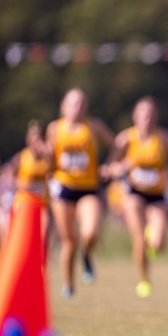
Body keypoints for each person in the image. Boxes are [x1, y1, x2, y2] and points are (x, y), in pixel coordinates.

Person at [110, 97, 168, 298]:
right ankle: (144, 280)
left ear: (155, 117)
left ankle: (152, 238)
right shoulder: (125, 138)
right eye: (143, 113)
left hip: (157, 194)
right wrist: (119, 167)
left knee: (159, 244)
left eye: (150, 113)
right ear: (135, 116)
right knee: (139, 239)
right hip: (133, 193)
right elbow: (112, 165)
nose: (147, 117)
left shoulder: (165, 137)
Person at [47, 88, 115, 298]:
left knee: (91, 232)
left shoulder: (94, 126)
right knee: (69, 241)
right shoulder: (55, 129)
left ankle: (87, 255)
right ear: (63, 105)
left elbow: (116, 146)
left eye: (82, 103)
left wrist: (109, 165)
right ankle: (68, 284)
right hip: (63, 188)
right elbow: (50, 159)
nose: (77, 107)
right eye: (73, 103)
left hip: (89, 188)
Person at [9, 120, 53, 261]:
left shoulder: (48, 157)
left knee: (43, 232)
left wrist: (49, 156)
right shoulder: (22, 157)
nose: (37, 141)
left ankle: (41, 263)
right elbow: (10, 177)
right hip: (25, 200)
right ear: (29, 140)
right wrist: (22, 185)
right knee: (24, 235)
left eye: (39, 138)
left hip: (42, 201)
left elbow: (55, 172)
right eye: (34, 138)